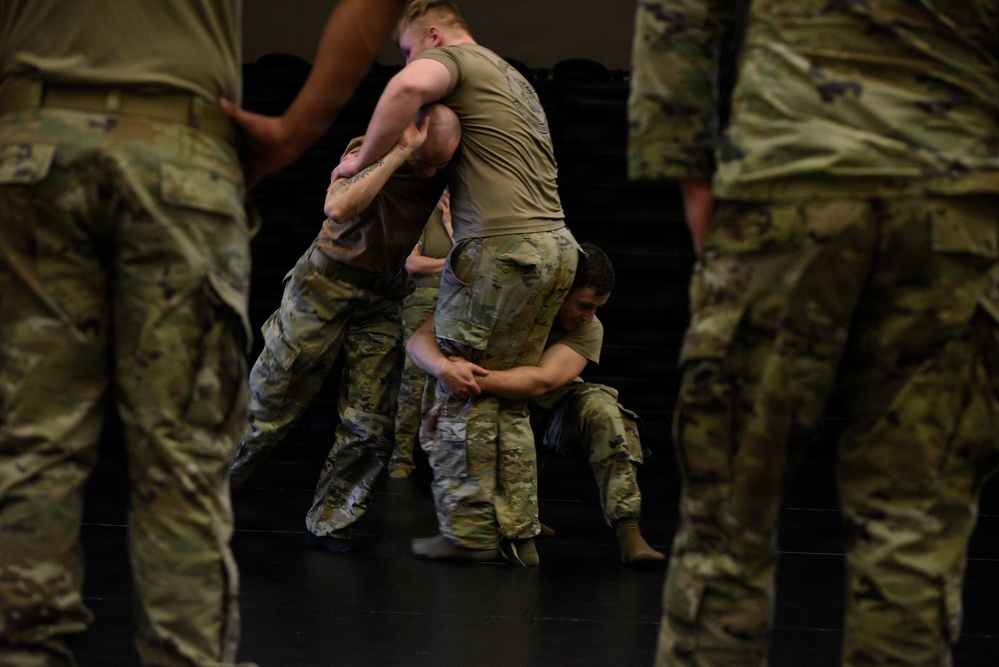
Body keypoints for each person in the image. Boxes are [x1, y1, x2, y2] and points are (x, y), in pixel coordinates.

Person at [0, 1, 406, 665]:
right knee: (181, 456)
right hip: (177, 148)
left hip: (33, 144)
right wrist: (294, 133)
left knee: (27, 444)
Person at [629, 1, 999, 665]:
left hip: (787, 177)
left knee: (726, 516)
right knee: (914, 523)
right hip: (952, 199)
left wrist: (689, 176)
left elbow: (677, 12)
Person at [334, 0, 580, 567]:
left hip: (502, 249)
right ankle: (518, 530)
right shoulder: (511, 77)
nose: (410, 61)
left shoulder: (457, 61)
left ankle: (467, 532)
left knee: (453, 383)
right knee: (502, 391)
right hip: (556, 246)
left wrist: (362, 161)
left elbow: (405, 89)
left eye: (409, 49)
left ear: (434, 34)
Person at [229, 104, 460, 553]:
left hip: (383, 295)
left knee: (370, 423)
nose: (431, 172)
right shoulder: (370, 149)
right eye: (425, 160)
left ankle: (332, 522)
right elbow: (337, 207)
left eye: (441, 164)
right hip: (325, 284)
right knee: (268, 405)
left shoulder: (440, 166)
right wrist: (400, 153)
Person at [408, 243, 667, 566]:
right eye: (584, 305)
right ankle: (511, 522)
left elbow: (542, 380)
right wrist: (443, 368)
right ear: (559, 291)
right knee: (484, 416)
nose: (588, 317)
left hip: (552, 416)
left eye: (597, 308)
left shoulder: (589, 328)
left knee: (605, 410)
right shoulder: (504, 306)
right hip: (502, 416)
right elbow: (418, 340)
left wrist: (469, 377)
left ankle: (628, 530)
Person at [388, 189, 454, 479]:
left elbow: (475, 263)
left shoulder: (468, 215)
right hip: (423, 299)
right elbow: (413, 265)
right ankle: (400, 455)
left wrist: (451, 225)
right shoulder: (423, 214)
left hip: (457, 302)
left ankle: (443, 457)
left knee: (450, 378)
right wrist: (453, 262)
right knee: (413, 379)